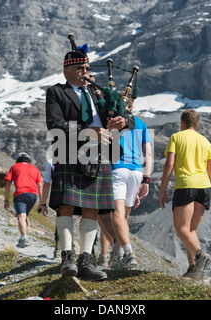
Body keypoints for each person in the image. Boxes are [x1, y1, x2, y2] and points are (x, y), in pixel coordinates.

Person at [46, 43, 134, 280]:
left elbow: (127, 115)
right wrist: (89, 131)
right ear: (68, 70)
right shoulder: (57, 92)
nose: (87, 72)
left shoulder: (99, 93)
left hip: (100, 155)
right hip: (69, 152)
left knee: (92, 209)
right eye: (82, 68)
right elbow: (55, 124)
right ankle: (67, 258)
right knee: (65, 205)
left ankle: (86, 260)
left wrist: (123, 122)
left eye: (87, 68)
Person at [160, 109, 211, 281]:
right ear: (197, 124)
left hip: (186, 186)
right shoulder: (206, 142)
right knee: (191, 231)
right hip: (204, 188)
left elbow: (169, 164)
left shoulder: (176, 137)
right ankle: (194, 269)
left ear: (182, 123)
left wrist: (162, 189)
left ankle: (200, 256)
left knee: (181, 230)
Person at [100, 94, 153, 270]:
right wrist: (146, 179)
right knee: (123, 218)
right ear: (132, 106)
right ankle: (119, 256)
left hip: (118, 169)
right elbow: (149, 155)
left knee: (114, 215)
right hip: (137, 172)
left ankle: (128, 254)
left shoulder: (113, 120)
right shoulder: (142, 124)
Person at [4, 153, 44, 248]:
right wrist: (42, 202)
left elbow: (8, 184)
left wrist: (6, 200)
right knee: (25, 216)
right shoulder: (35, 168)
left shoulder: (14, 167)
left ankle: (24, 238)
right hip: (32, 195)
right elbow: (40, 185)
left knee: (21, 216)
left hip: (20, 194)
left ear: (19, 160)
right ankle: (23, 237)